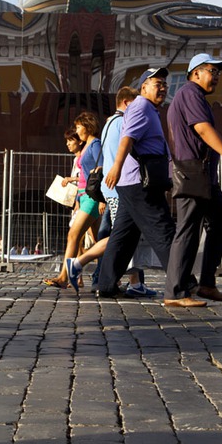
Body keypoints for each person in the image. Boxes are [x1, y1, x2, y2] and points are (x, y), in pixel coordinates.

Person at [97, 68, 204, 307]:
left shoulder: (148, 109)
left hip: (133, 183)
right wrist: (115, 167)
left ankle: (105, 285)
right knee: (164, 230)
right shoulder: (142, 106)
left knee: (123, 236)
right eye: (158, 83)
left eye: (165, 83)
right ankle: (181, 286)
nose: (163, 88)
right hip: (139, 183)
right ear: (143, 87)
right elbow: (128, 138)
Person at [166, 53, 222, 302]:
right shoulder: (189, 93)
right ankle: (175, 292)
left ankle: (207, 284)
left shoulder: (198, 97)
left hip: (203, 177)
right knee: (187, 231)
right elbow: (202, 128)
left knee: (221, 222)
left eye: (219, 73)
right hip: (191, 174)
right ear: (196, 72)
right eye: (213, 71)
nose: (217, 77)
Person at [66, 87, 156, 297]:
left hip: (115, 189)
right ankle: (80, 263)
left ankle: (131, 281)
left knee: (128, 236)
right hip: (119, 190)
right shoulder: (120, 124)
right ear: (127, 103)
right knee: (119, 237)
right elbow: (118, 158)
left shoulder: (110, 125)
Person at [44, 118, 102, 290]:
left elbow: (101, 169)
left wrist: (100, 199)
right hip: (84, 197)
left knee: (74, 235)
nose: (76, 130)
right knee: (98, 241)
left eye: (78, 126)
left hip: (91, 198)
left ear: (87, 127)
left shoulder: (95, 144)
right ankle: (108, 274)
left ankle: (64, 276)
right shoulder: (87, 147)